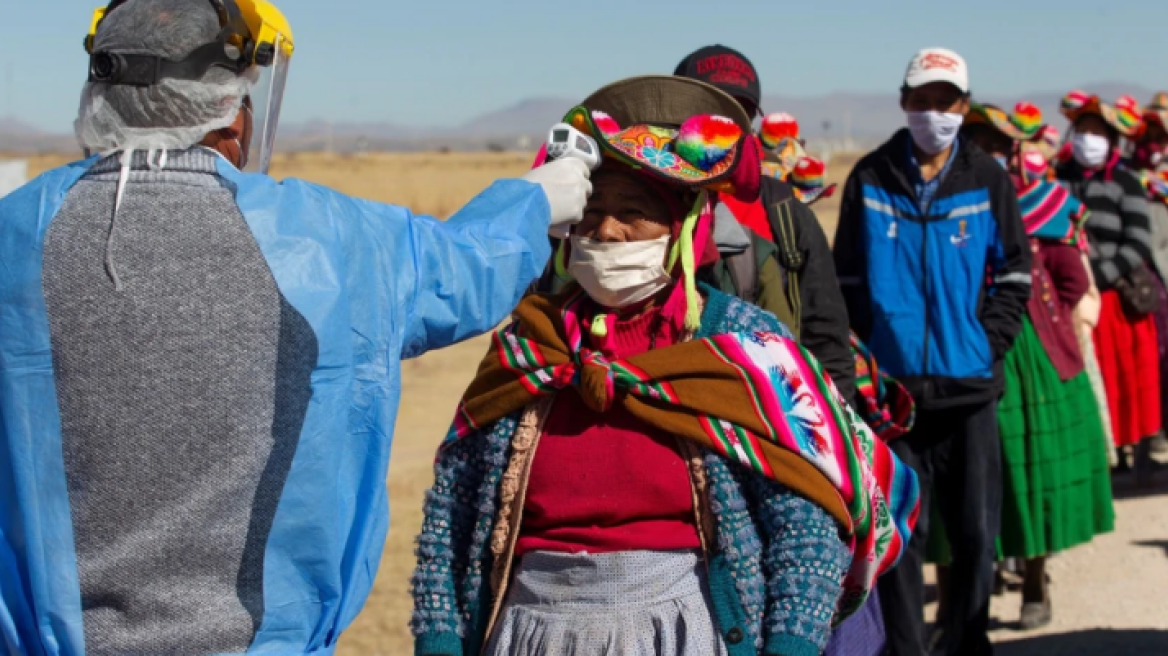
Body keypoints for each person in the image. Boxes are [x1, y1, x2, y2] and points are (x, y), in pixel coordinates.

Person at [0, 1, 593, 654]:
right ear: (232, 113)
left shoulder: (16, 235)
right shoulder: (331, 240)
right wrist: (537, 197)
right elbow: (466, 267)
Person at [410, 75, 920, 656]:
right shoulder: (531, 344)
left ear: (684, 228)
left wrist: (790, 645)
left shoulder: (745, 348)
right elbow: (451, 515)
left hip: (683, 631)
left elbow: (802, 525)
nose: (606, 230)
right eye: (591, 211)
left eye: (634, 212)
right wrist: (439, 638)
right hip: (529, 633)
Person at [833, 48, 1031, 656]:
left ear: (964, 108)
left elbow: (1015, 274)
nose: (933, 113)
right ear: (903, 102)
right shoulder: (870, 177)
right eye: (922, 100)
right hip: (894, 398)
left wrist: (986, 341)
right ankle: (908, 649)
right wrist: (868, 361)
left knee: (975, 531)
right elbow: (847, 285)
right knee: (899, 537)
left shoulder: (987, 178)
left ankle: (970, 640)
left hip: (969, 388)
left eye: (945, 102)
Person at [960, 101, 1115, 629]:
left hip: (1031, 349)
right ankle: (973, 594)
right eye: (976, 144)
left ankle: (1034, 579)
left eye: (996, 147)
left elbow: (1073, 280)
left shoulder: (1046, 206)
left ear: (1015, 151)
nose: (986, 156)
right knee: (980, 469)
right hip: (965, 346)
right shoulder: (948, 205)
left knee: (1030, 465)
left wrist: (1046, 316)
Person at [674, 45, 856, 404]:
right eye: (710, 109)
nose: (722, 126)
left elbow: (825, 330)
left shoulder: (784, 208)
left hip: (773, 410)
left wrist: (837, 419)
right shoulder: (649, 204)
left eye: (737, 112)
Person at [1056, 91, 1161, 482]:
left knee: (1129, 381)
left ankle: (1139, 455)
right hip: (1076, 301)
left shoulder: (1126, 182)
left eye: (1096, 131)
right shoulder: (1060, 180)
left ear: (1111, 138)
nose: (1088, 138)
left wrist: (1096, 276)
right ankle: (1103, 452)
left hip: (1116, 299)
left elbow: (1139, 243)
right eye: (1082, 130)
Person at [1129, 91, 1168, 457]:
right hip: (1143, 281)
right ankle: (1145, 439)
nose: (1154, 145)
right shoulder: (1127, 177)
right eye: (1149, 137)